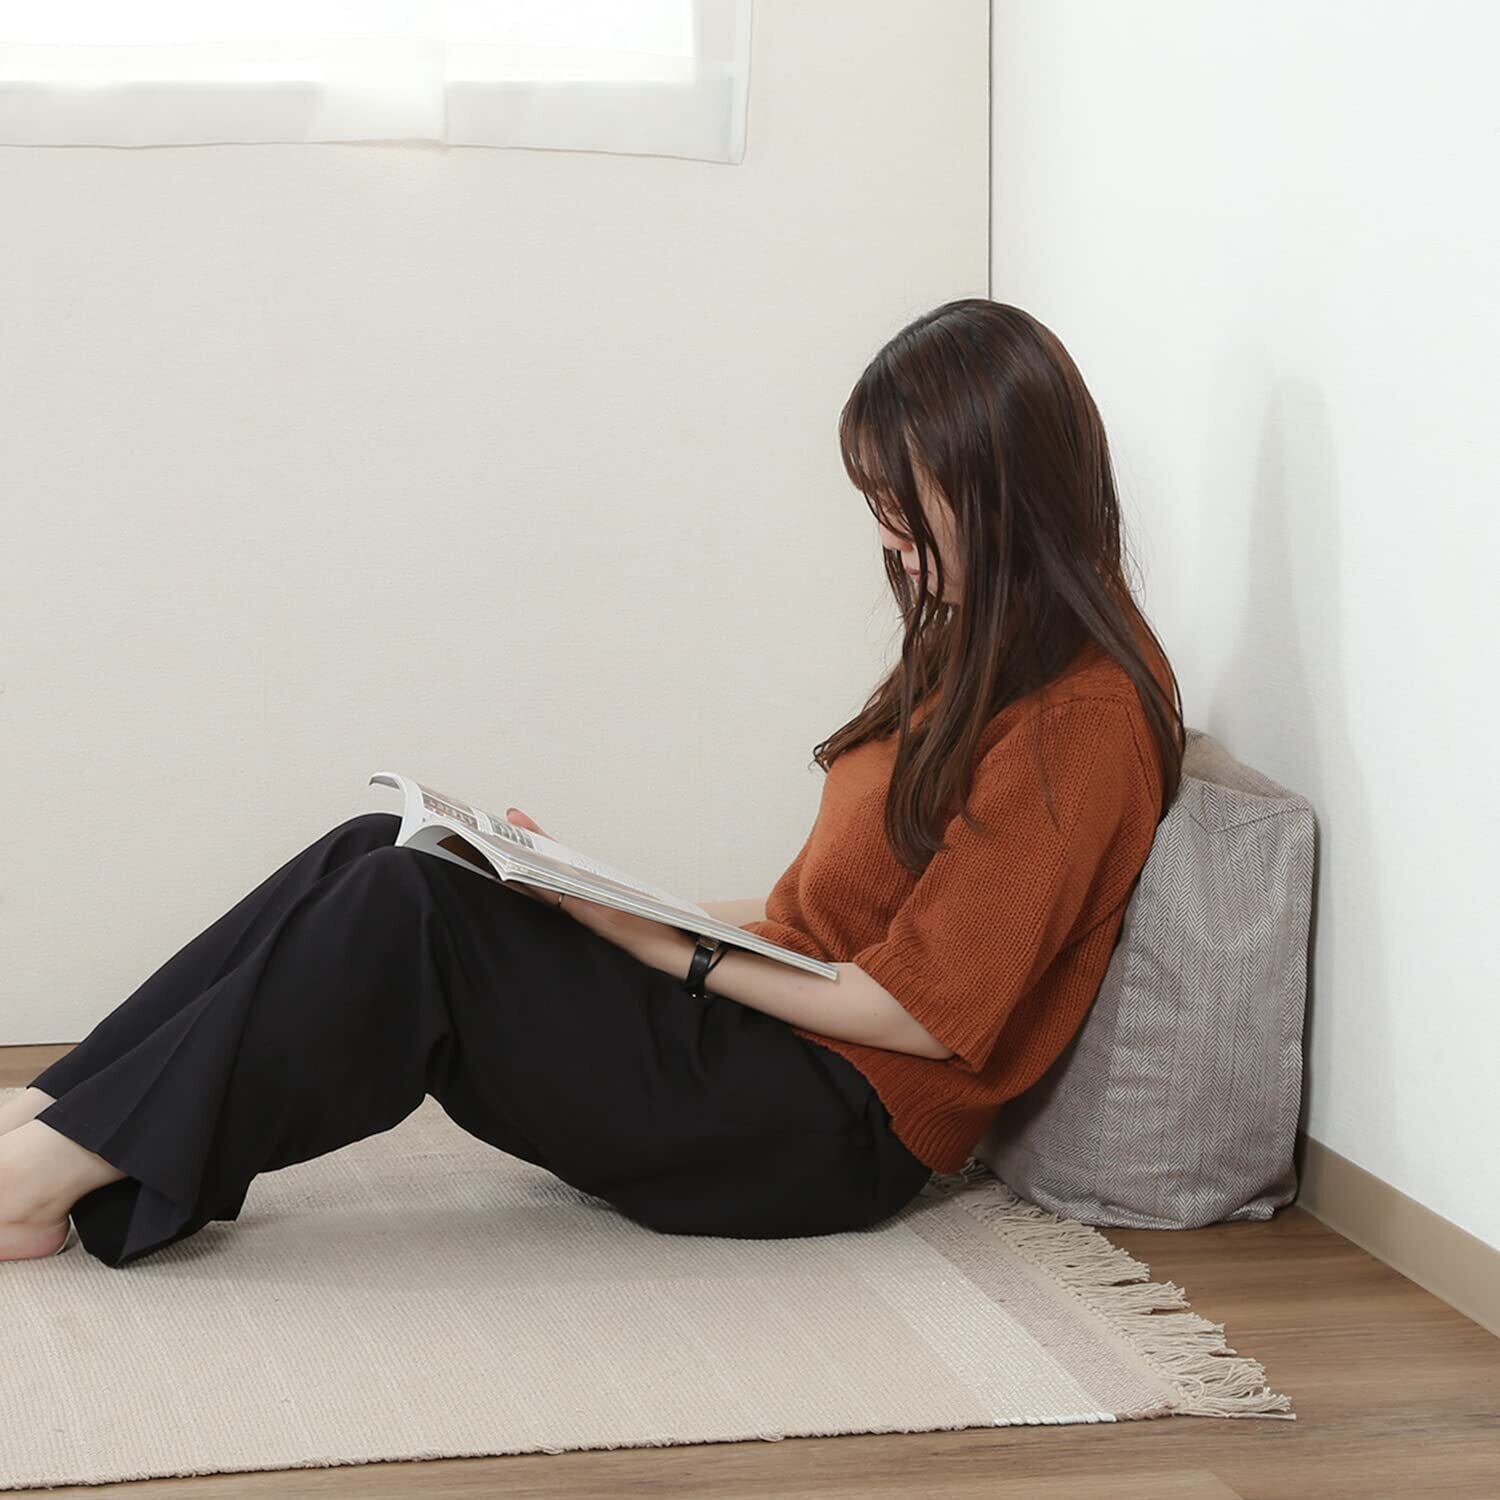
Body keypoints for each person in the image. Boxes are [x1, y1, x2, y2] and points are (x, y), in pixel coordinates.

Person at [0, 298, 1184, 1267]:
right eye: (878, 504)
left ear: (1010, 491)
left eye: (909, 508)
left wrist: (652, 942)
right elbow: (827, 918)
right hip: (767, 1041)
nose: (888, 538)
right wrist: (586, 894)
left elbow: (916, 1014)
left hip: (824, 1127)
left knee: (408, 915)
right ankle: (57, 1116)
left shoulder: (1083, 721)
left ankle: (36, 1183)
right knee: (384, 848)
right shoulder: (983, 646)